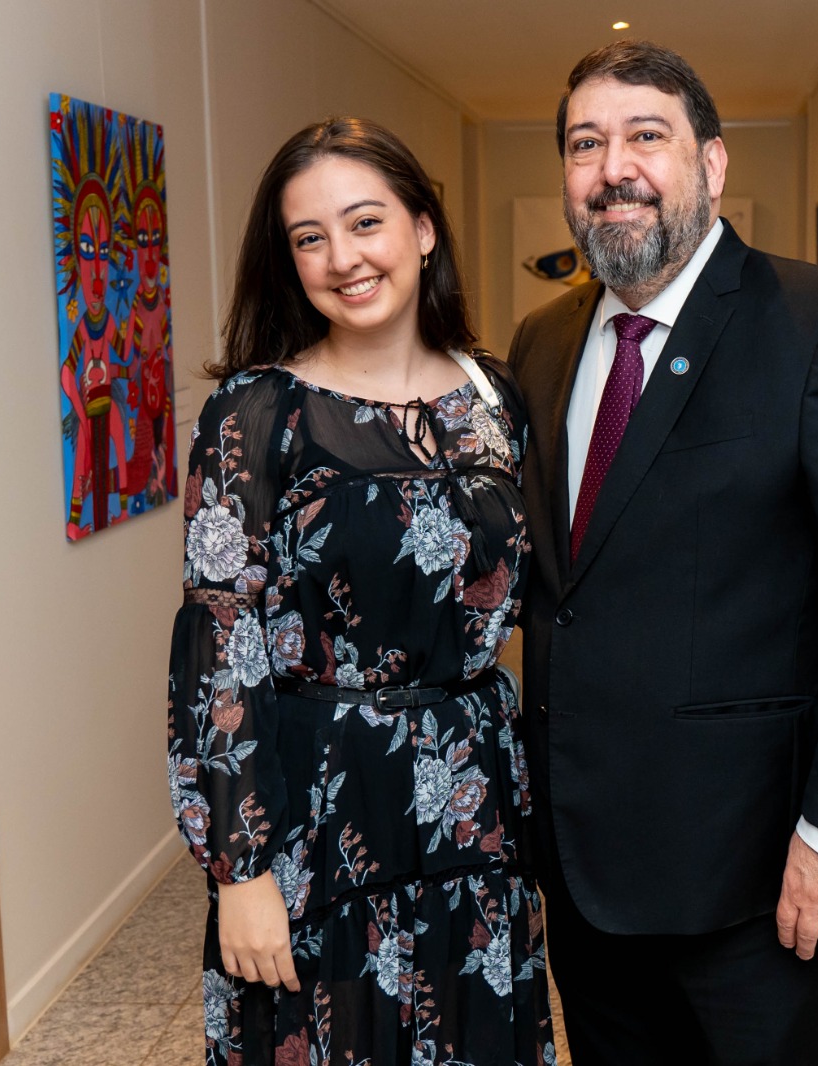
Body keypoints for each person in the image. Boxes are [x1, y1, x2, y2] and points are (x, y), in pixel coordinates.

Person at [507, 42, 818, 1065]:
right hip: (584, 872)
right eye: (585, 143)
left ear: (711, 164)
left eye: (645, 136)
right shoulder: (541, 342)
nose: (613, 168)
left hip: (761, 882)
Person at [167, 117, 553, 1066]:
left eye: (365, 222)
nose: (343, 258)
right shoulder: (256, 414)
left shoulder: (495, 399)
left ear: (423, 229)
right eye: (310, 237)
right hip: (318, 808)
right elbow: (220, 643)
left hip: (474, 798)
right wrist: (239, 872)